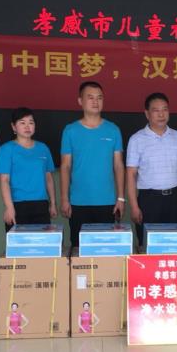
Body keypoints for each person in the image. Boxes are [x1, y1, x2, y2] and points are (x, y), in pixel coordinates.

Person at [60, 81, 125, 248]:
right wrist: (65, 198)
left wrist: (120, 198)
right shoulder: (70, 130)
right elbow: (65, 167)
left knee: (105, 248)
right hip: (78, 202)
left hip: (107, 201)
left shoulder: (113, 130)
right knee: (79, 248)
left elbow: (118, 166)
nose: (96, 101)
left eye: (99, 97)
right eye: (90, 97)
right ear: (80, 101)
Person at [125, 92, 177, 247]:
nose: (161, 114)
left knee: (172, 245)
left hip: (174, 198)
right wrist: (134, 206)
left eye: (165, 109)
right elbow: (131, 174)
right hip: (148, 200)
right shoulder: (136, 139)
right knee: (147, 245)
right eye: (156, 110)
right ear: (147, 114)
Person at [0, 107, 57, 231]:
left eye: (31, 122)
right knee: (18, 243)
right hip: (18, 205)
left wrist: (53, 204)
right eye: (22, 123)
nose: (27, 126)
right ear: (14, 127)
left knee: (42, 242)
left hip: (41, 205)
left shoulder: (43, 148)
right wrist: (9, 207)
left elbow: (48, 178)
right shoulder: (6, 149)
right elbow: (4, 181)